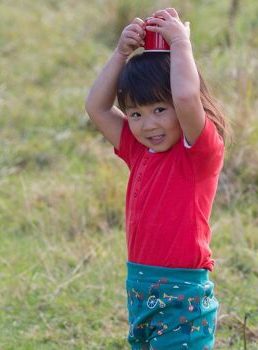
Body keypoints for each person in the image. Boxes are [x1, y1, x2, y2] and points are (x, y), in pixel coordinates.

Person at [85, 7, 229, 349]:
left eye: (159, 110)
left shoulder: (199, 153)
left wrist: (180, 43)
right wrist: (121, 53)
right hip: (139, 288)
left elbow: (185, 96)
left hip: (184, 297)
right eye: (136, 113)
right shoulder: (137, 150)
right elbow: (97, 108)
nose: (148, 124)